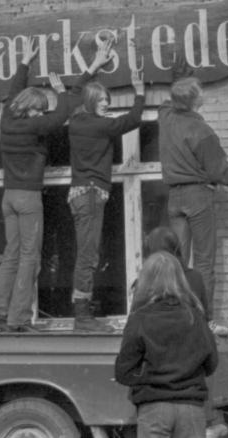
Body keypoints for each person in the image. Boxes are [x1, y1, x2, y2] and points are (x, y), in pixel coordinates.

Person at [0, 40, 109, 332]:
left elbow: (14, 91)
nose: (42, 114)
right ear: (30, 110)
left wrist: (24, 63)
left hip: (8, 197)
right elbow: (63, 113)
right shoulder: (34, 126)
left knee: (11, 255)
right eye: (39, 110)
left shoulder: (7, 118)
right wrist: (63, 91)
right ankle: (19, 319)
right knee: (30, 258)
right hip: (28, 199)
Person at [158, 66, 228, 330]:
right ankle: (203, 320)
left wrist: (178, 80)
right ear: (195, 101)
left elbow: (166, 103)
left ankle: (176, 315)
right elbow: (222, 173)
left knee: (177, 261)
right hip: (197, 196)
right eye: (200, 92)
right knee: (204, 262)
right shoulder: (202, 132)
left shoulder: (165, 118)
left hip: (174, 197)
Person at [68, 43, 144, 331]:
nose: (106, 104)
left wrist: (93, 67)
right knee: (88, 255)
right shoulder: (101, 126)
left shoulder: (75, 121)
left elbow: (74, 92)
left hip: (80, 194)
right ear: (91, 102)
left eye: (107, 100)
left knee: (87, 253)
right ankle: (82, 317)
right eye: (101, 100)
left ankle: (83, 311)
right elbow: (134, 119)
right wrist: (139, 92)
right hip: (90, 194)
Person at [115, 251, 218, 438]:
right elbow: (211, 364)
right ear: (180, 279)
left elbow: (123, 372)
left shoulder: (139, 319)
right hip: (191, 408)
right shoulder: (195, 316)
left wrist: (150, 377)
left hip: (154, 408)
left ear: (145, 281)